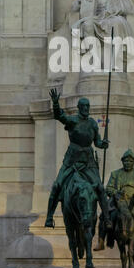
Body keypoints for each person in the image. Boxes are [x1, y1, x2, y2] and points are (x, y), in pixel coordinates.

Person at [45, 88, 112, 229]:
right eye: (84, 106)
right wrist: (56, 103)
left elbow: (97, 142)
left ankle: (107, 218)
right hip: (71, 160)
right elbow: (59, 116)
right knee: (57, 185)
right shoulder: (72, 121)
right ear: (79, 108)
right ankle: (49, 217)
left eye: (88, 106)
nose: (86, 108)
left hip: (88, 161)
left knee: (100, 187)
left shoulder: (93, 123)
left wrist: (102, 144)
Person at [94, 149, 134, 255]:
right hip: (118, 202)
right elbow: (108, 188)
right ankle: (101, 242)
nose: (128, 163)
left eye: (130, 161)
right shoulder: (115, 174)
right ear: (122, 162)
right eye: (125, 161)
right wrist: (116, 193)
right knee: (104, 216)